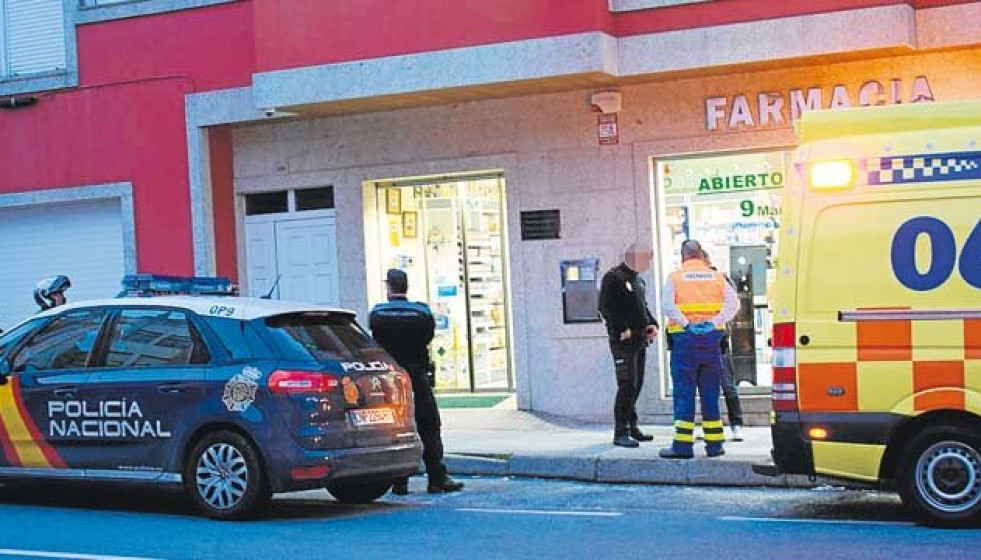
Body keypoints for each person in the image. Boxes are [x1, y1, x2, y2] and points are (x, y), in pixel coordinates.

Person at [369, 269, 464, 495]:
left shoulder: (378, 313)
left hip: (391, 378)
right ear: (406, 286)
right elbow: (427, 337)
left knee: (397, 428)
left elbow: (375, 340)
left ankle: (400, 481)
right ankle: (436, 478)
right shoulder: (420, 312)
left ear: (388, 287)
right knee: (429, 427)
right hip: (417, 375)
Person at [659, 240, 739, 459]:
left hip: (685, 341)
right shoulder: (717, 277)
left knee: (684, 393)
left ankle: (682, 446)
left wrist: (687, 324)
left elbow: (667, 305)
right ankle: (715, 445)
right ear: (701, 255)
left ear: (683, 256)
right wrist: (713, 323)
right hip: (711, 342)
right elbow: (734, 305)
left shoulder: (675, 277)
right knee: (710, 393)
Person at [598, 243, 659, 448]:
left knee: (637, 384)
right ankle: (620, 432)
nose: (648, 264)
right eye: (646, 259)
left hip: (640, 339)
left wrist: (652, 323)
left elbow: (643, 307)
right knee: (627, 384)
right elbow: (604, 307)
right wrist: (621, 328)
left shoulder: (638, 280)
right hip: (623, 340)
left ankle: (632, 427)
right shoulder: (613, 277)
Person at [700, 250, 744, 442]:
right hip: (700, 341)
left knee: (728, 386)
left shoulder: (720, 279)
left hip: (718, 340)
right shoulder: (694, 283)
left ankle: (736, 425)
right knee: (707, 388)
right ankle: (711, 426)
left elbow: (733, 306)